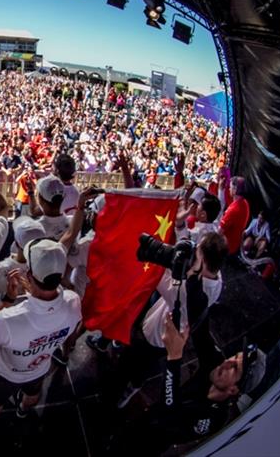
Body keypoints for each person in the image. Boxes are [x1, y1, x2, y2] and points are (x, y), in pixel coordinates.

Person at [112, 313, 266, 454]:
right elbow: (202, 332)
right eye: (234, 356)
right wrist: (202, 288)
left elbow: (170, 417)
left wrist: (174, 357)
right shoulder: (216, 364)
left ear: (233, 390)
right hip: (145, 418)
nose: (227, 362)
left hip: (148, 444)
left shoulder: (214, 419)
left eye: (235, 368)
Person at [0, 239, 82, 427]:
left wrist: (7, 300)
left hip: (5, 373)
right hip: (39, 368)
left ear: (30, 275)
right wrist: (35, 291)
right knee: (32, 394)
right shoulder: (74, 302)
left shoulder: (7, 319)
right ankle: (22, 410)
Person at [118, 231, 229, 409]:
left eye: (197, 251)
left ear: (204, 263)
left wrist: (169, 255)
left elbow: (158, 275)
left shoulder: (189, 292)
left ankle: (129, 390)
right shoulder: (216, 277)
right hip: (165, 322)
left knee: (139, 365)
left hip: (156, 336)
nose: (193, 252)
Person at [29, 175, 70, 240]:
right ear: (64, 197)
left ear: (40, 199)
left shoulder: (34, 229)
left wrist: (31, 193)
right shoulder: (74, 224)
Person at [218, 176, 250, 255]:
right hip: (235, 245)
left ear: (235, 190)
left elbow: (219, 232)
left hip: (226, 247)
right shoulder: (244, 203)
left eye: (230, 187)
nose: (229, 189)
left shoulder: (234, 210)